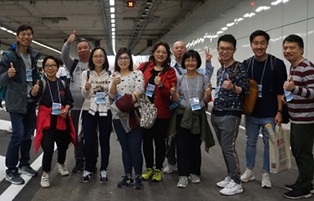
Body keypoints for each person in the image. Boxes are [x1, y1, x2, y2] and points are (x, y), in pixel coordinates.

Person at [240, 30, 287, 188]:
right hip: (252, 113)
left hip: (270, 114)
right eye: (255, 43)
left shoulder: (277, 63)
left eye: (262, 43)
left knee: (269, 144)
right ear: (251, 44)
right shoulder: (246, 64)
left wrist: (279, 112)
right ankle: (250, 170)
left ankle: (266, 173)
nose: (259, 46)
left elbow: (280, 91)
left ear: (267, 44)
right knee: (250, 142)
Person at [164, 40, 214, 174]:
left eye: (193, 60)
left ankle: (195, 172)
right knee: (179, 143)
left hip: (197, 114)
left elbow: (206, 97)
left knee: (194, 144)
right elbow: (176, 96)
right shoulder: (176, 74)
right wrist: (174, 94)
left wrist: (207, 96)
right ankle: (179, 169)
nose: (190, 63)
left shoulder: (202, 77)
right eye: (188, 61)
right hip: (180, 112)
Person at [0, 25, 40, 185]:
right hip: (16, 100)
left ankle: (24, 163)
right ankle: (11, 169)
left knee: (27, 135)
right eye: (23, 34)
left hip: (31, 100)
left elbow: (34, 77)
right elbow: (0, 79)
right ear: (17, 37)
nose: (27, 37)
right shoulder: (9, 56)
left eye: (29, 34)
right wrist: (7, 75)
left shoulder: (34, 56)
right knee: (17, 135)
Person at [211, 34, 248, 196]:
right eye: (222, 48)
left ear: (234, 50)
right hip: (217, 112)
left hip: (231, 114)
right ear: (218, 49)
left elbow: (244, 90)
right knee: (224, 147)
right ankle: (230, 175)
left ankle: (237, 181)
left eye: (228, 49)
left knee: (228, 147)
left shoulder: (239, 67)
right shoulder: (221, 70)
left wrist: (233, 87)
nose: (225, 51)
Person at [31, 56, 76, 188]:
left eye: (53, 65)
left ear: (58, 67)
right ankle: (45, 174)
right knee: (48, 147)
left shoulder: (62, 84)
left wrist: (66, 109)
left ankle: (61, 164)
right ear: (44, 68)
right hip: (47, 121)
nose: (50, 68)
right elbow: (34, 98)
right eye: (47, 66)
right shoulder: (41, 83)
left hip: (62, 119)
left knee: (63, 145)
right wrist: (33, 93)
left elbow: (69, 101)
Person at [138, 41, 177, 182]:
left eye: (164, 52)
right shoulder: (144, 67)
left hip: (162, 114)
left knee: (160, 142)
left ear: (167, 55)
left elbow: (170, 93)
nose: (161, 54)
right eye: (158, 51)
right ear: (153, 53)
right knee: (146, 141)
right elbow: (135, 81)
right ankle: (148, 168)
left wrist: (161, 85)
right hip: (145, 112)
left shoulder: (170, 72)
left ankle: (158, 169)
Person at [282, 34, 314, 200]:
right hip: (297, 117)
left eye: (292, 47)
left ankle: (304, 187)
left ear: (301, 49)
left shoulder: (306, 67)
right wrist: (288, 98)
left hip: (306, 119)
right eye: (285, 48)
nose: (288, 51)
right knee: (298, 151)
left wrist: (294, 89)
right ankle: (306, 181)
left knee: (303, 153)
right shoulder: (294, 67)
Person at [109, 47, 145, 189]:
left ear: (130, 60)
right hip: (118, 117)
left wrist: (126, 106)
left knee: (135, 147)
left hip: (133, 115)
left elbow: (139, 89)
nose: (123, 61)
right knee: (125, 148)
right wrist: (114, 83)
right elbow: (111, 96)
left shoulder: (137, 73)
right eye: (120, 58)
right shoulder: (114, 76)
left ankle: (138, 177)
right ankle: (128, 175)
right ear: (117, 61)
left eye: (125, 58)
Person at [61, 30, 96, 173]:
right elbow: (63, 55)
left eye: (85, 47)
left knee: (91, 135)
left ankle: (92, 161)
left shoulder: (94, 64)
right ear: (77, 50)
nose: (82, 50)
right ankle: (79, 161)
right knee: (77, 136)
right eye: (79, 48)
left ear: (89, 49)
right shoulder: (73, 64)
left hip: (91, 106)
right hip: (75, 107)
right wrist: (68, 43)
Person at [80, 47, 112, 183]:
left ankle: (104, 169)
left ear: (104, 58)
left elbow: (112, 94)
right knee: (89, 140)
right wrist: (87, 88)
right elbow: (85, 95)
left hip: (106, 110)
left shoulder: (110, 74)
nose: (98, 58)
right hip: (89, 110)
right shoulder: (86, 74)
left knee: (104, 140)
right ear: (91, 58)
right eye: (95, 56)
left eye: (101, 56)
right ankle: (88, 168)